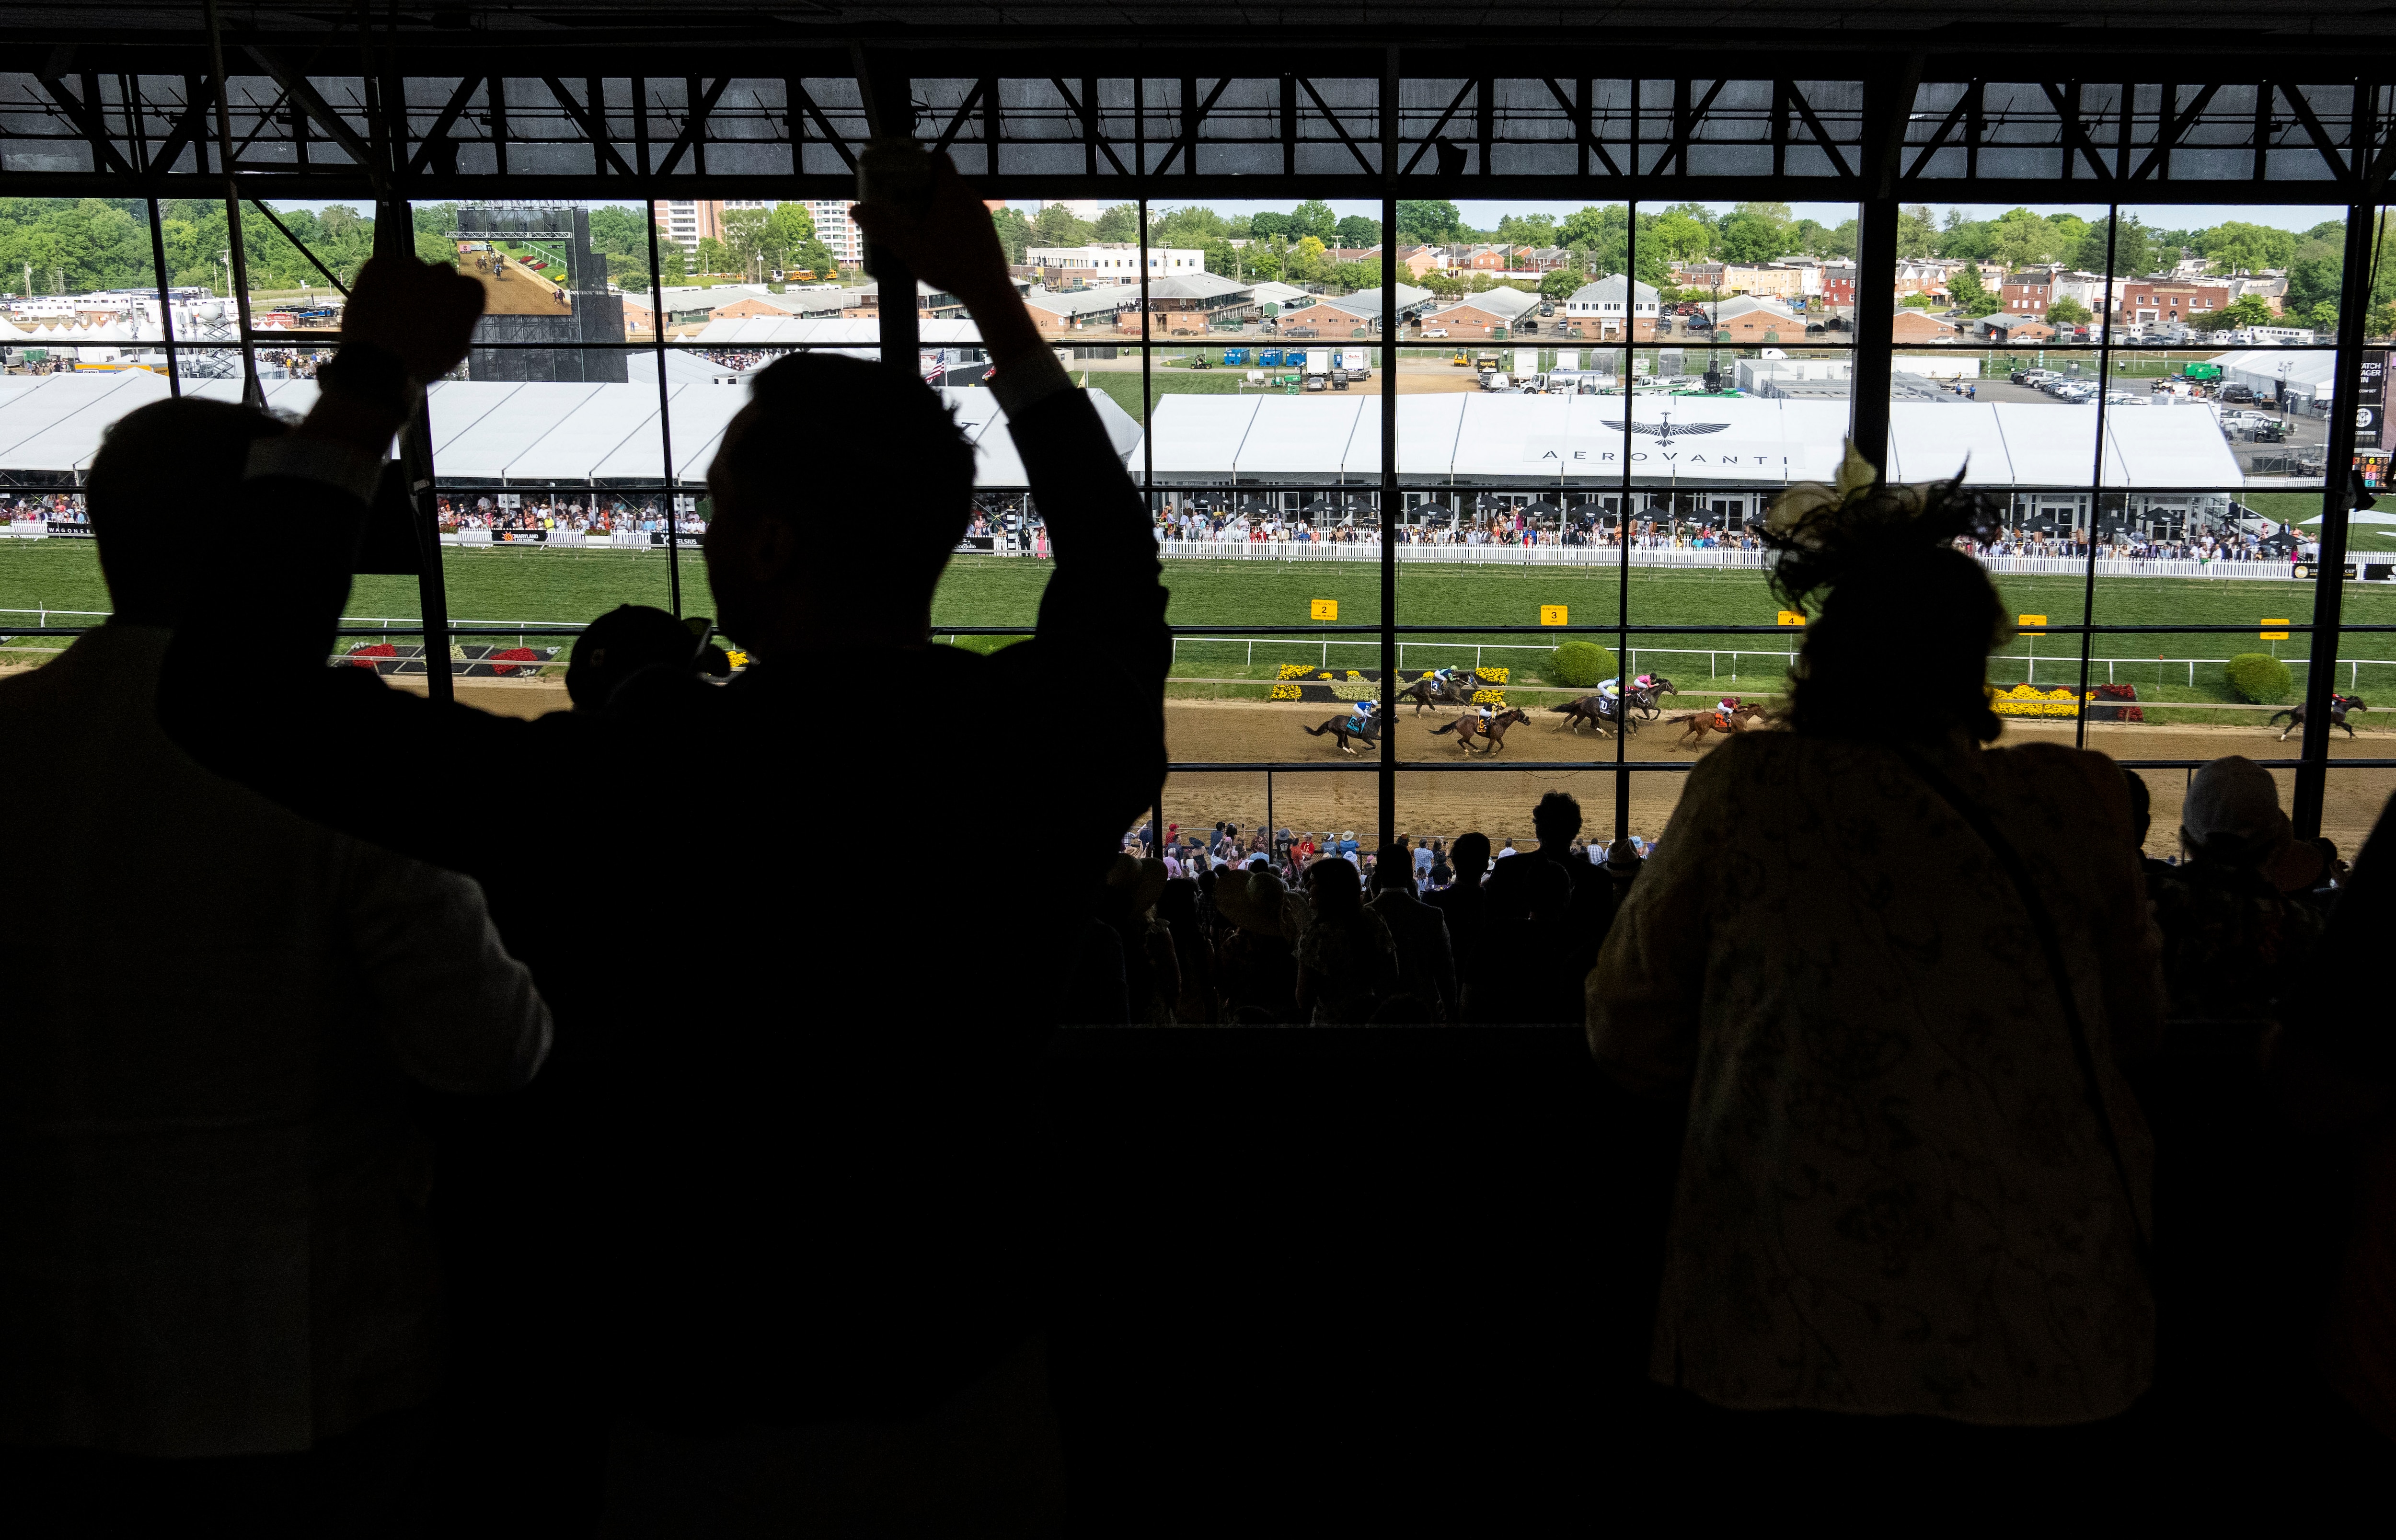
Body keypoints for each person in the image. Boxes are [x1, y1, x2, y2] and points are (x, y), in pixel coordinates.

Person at [154, 149, 1165, 1529]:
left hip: (704, 1426)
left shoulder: (640, 778)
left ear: (766, 548)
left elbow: (229, 693)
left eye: (717, 498)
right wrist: (991, 303)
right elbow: (1116, 564)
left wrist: (371, 379)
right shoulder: (1047, 742)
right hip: (982, 1390)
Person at [0, 397, 552, 1530]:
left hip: (30, 1359)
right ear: (268, 543)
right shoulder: (335, 772)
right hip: (303, 1369)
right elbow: (492, 1053)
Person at [1587, 445, 2166, 1483]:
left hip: (1782, 1316)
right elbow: (2137, 1034)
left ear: (1824, 656)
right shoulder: (2077, 803)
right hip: (2054, 1324)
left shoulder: (1746, 788)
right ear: (1970, 668)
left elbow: (1625, 1029)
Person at [1293, 857, 1399, 1024]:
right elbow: (1392, 976)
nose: (1307, 888)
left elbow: (1303, 997)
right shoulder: (1372, 918)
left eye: (1313, 883)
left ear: (1329, 889)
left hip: (1330, 1024)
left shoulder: (1316, 932)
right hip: (1370, 1021)